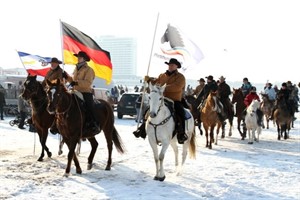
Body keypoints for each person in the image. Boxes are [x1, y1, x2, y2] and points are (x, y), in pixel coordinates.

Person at [133, 58, 188, 144]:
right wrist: (149, 80)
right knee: (148, 110)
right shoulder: (162, 75)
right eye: (169, 65)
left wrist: (163, 88)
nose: (170, 66)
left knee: (181, 112)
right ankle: (142, 129)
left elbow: (177, 87)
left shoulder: (181, 77)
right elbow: (155, 83)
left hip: (174, 100)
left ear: (176, 66)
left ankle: (181, 134)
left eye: (172, 65)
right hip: (161, 99)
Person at [66, 51, 100, 135]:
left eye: (80, 57)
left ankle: (93, 124)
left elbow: (88, 83)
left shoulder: (89, 70)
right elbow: (73, 80)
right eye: (78, 57)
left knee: (89, 106)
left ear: (84, 59)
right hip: (75, 91)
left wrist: (76, 83)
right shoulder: (76, 68)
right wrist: (66, 77)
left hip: (85, 92)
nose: (78, 59)